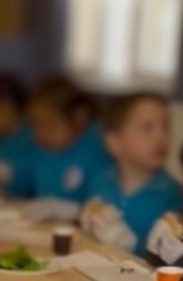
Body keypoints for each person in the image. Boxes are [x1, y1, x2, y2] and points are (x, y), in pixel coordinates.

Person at [80, 93, 183, 254]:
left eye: (165, 127)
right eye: (147, 127)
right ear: (114, 142)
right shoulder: (100, 182)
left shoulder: (172, 193)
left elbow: (169, 258)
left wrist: (133, 245)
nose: (160, 137)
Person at [27, 76, 110, 207]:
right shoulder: (41, 149)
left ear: (79, 117)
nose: (40, 133)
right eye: (35, 124)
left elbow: (102, 205)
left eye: (50, 125)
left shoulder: (98, 152)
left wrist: (74, 210)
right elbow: (24, 182)